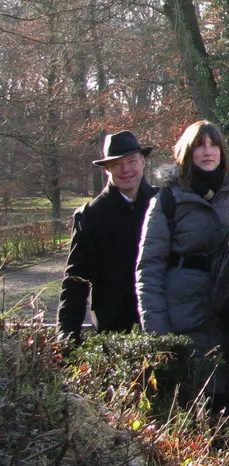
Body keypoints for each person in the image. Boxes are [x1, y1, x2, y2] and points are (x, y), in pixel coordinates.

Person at [136, 121, 229, 418]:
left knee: (223, 410)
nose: (207, 152)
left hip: (225, 314)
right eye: (200, 145)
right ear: (187, 151)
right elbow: (149, 268)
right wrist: (158, 332)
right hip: (182, 313)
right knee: (183, 409)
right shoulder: (167, 199)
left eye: (214, 145)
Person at [57, 131, 158, 344]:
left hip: (162, 321)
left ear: (143, 162)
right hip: (114, 327)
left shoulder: (163, 203)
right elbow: (76, 278)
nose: (126, 170)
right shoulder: (91, 215)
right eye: (117, 164)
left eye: (132, 161)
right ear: (106, 169)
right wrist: (66, 334)